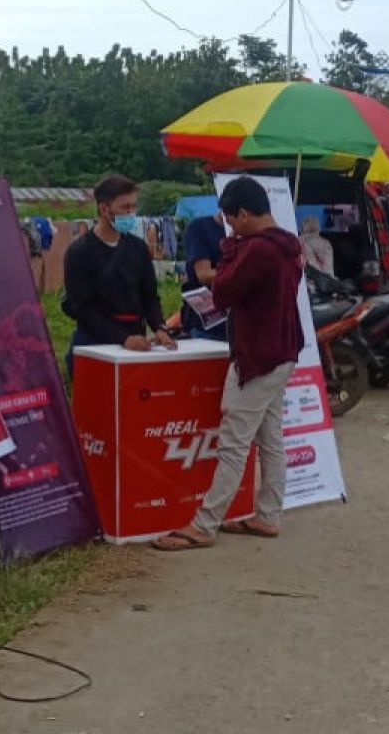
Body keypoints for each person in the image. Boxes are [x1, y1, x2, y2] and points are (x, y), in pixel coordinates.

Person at [153, 177, 305, 551]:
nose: (230, 228)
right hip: (282, 350)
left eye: (232, 221)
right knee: (270, 439)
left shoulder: (257, 250)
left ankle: (205, 524)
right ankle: (268, 515)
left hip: (257, 354)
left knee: (234, 442)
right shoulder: (289, 244)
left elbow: (222, 291)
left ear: (243, 213)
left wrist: (230, 246)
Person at [62, 174, 174, 377]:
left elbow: (150, 297)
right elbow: (82, 309)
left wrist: (159, 327)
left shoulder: (138, 248)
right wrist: (122, 338)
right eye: (125, 207)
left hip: (136, 343)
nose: (131, 213)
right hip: (94, 343)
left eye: (134, 206)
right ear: (104, 209)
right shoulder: (79, 252)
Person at [181, 211, 227, 340]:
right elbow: (204, 275)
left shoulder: (251, 233)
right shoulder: (200, 228)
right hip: (207, 325)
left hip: (242, 324)